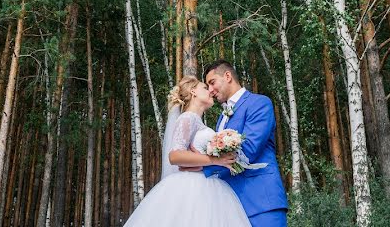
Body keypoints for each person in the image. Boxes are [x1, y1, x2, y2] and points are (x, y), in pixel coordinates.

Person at [123, 76, 251, 227]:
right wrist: (215, 160)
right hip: (193, 187)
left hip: (208, 183)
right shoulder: (188, 118)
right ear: (193, 91)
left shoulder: (197, 121)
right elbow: (175, 155)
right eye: (205, 87)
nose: (210, 91)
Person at [202, 60, 289, 227]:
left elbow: (248, 150)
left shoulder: (259, 103)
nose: (210, 90)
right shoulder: (222, 117)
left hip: (261, 202)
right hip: (231, 206)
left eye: (212, 83)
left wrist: (202, 167)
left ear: (227, 76)